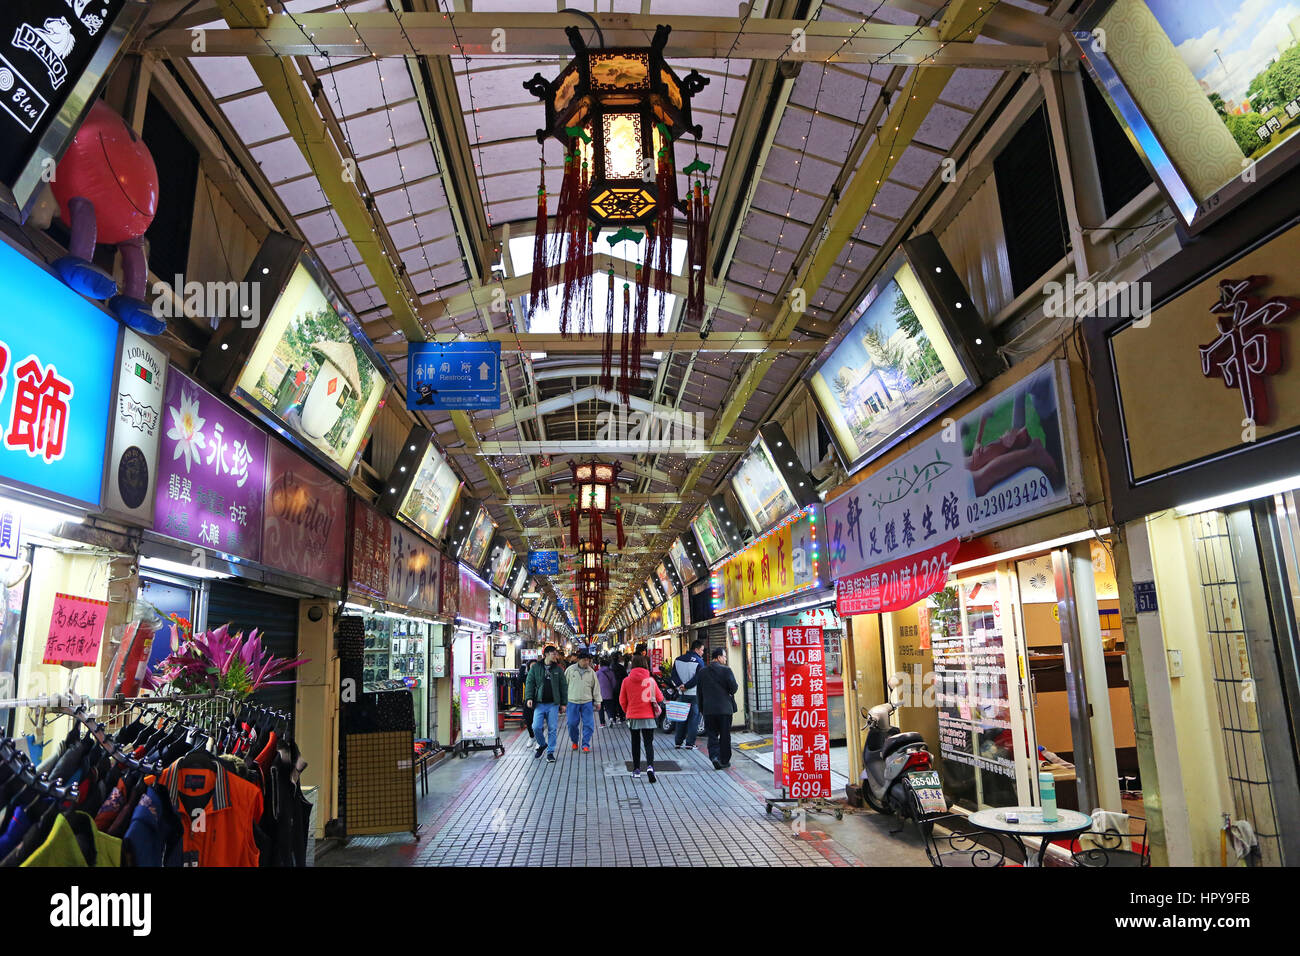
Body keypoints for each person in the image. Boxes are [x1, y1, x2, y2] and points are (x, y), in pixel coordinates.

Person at [682, 647, 739, 769]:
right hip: (724, 710)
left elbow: (699, 692)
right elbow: (734, 688)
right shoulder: (726, 670)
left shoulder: (702, 671)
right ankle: (724, 760)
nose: (725, 659)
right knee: (725, 735)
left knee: (712, 735)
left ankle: (714, 757)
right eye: (724, 656)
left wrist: (702, 708)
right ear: (718, 657)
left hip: (708, 709)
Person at [619, 655, 664, 783]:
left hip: (633, 716)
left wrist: (628, 710)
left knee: (635, 742)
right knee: (648, 743)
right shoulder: (650, 680)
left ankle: (636, 770)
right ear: (645, 665)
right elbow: (660, 698)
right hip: (648, 716)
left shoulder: (626, 681)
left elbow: (622, 700)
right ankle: (650, 767)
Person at [524, 645, 567, 762]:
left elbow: (563, 686)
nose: (556, 656)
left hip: (553, 704)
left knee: (552, 728)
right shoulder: (536, 668)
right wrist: (529, 698)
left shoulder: (558, 669)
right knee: (536, 727)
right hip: (539, 703)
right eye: (554, 654)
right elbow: (530, 683)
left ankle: (550, 752)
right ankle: (542, 744)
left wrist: (563, 703)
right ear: (547, 654)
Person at [671, 639, 707, 750]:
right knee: (693, 719)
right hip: (694, 694)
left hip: (681, 693)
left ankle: (678, 742)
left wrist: (680, 686)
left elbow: (673, 675)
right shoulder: (699, 662)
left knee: (681, 717)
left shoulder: (678, 659)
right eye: (702, 650)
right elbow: (698, 678)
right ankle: (689, 743)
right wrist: (687, 686)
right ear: (696, 649)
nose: (702, 653)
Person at [564, 651, 601, 752]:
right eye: (584, 660)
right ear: (578, 660)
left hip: (587, 702)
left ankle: (585, 744)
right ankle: (574, 741)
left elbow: (596, 688)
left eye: (588, 660)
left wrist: (598, 701)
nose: (586, 662)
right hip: (572, 701)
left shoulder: (591, 672)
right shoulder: (570, 670)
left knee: (588, 724)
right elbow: (564, 686)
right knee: (571, 724)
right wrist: (562, 702)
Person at [596, 657, 619, 727]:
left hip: (599, 694)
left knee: (600, 709)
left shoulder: (598, 673)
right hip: (609, 693)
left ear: (601, 665)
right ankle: (611, 718)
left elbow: (595, 684)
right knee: (609, 708)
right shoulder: (611, 672)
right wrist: (611, 689)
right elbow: (614, 683)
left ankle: (602, 723)